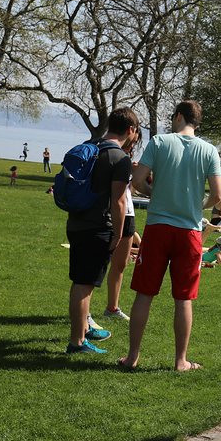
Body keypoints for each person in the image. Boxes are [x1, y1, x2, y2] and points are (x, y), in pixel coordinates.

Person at [120, 100, 221, 372]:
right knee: (183, 298)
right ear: (197, 123)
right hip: (189, 231)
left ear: (178, 116)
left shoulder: (159, 142)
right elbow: (217, 194)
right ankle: (181, 361)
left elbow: (138, 180)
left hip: (157, 228)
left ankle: (132, 357)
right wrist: (197, 205)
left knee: (144, 294)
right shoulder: (209, 150)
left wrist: (156, 194)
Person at [65, 108, 139, 356]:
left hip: (75, 221)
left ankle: (82, 331)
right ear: (130, 130)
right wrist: (118, 235)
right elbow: (118, 201)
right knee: (84, 285)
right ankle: (77, 342)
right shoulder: (119, 157)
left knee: (80, 281)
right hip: (97, 227)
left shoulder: (89, 146)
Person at [103, 132, 141, 321]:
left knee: (121, 264)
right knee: (99, 265)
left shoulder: (125, 159)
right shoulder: (109, 154)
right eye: (134, 139)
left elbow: (129, 191)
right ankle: (86, 314)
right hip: (112, 213)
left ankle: (112, 307)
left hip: (128, 212)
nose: (134, 143)